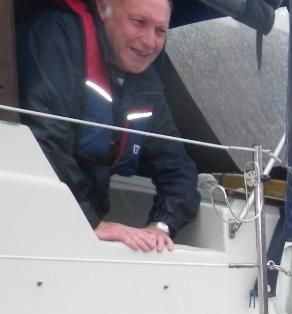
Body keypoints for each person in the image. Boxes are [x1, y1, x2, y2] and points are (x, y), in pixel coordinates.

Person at [17, 0, 199, 252]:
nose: (149, 42)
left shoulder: (145, 83)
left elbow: (178, 169)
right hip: (26, 218)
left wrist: (161, 226)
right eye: (139, 23)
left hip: (85, 230)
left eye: (160, 31)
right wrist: (89, 220)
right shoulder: (57, 35)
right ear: (103, 8)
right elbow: (41, 138)